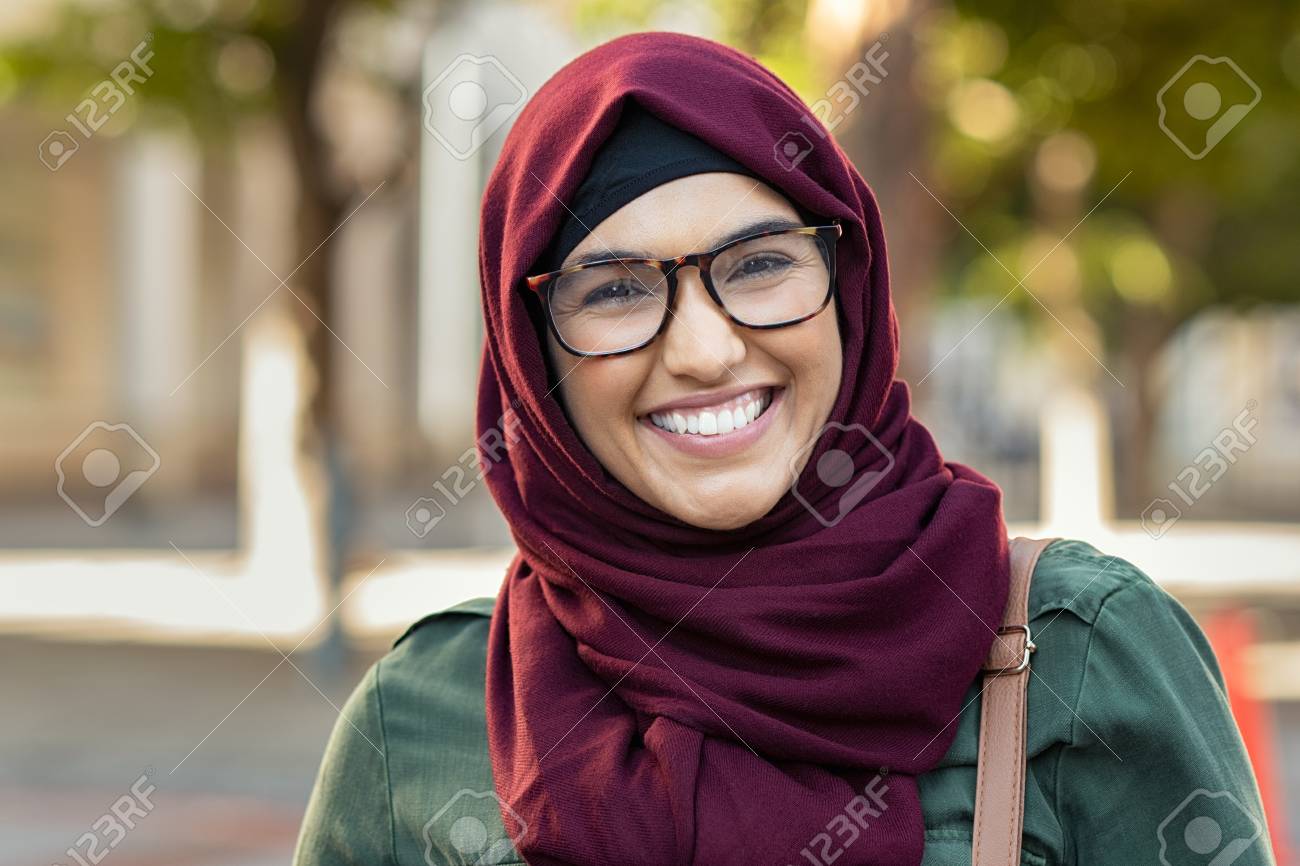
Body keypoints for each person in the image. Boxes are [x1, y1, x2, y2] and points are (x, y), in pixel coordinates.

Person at [292, 31, 1274, 866]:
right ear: (529, 360)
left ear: (846, 285)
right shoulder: (421, 716)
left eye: (758, 265)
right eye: (615, 289)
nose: (706, 348)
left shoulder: (1082, 651)